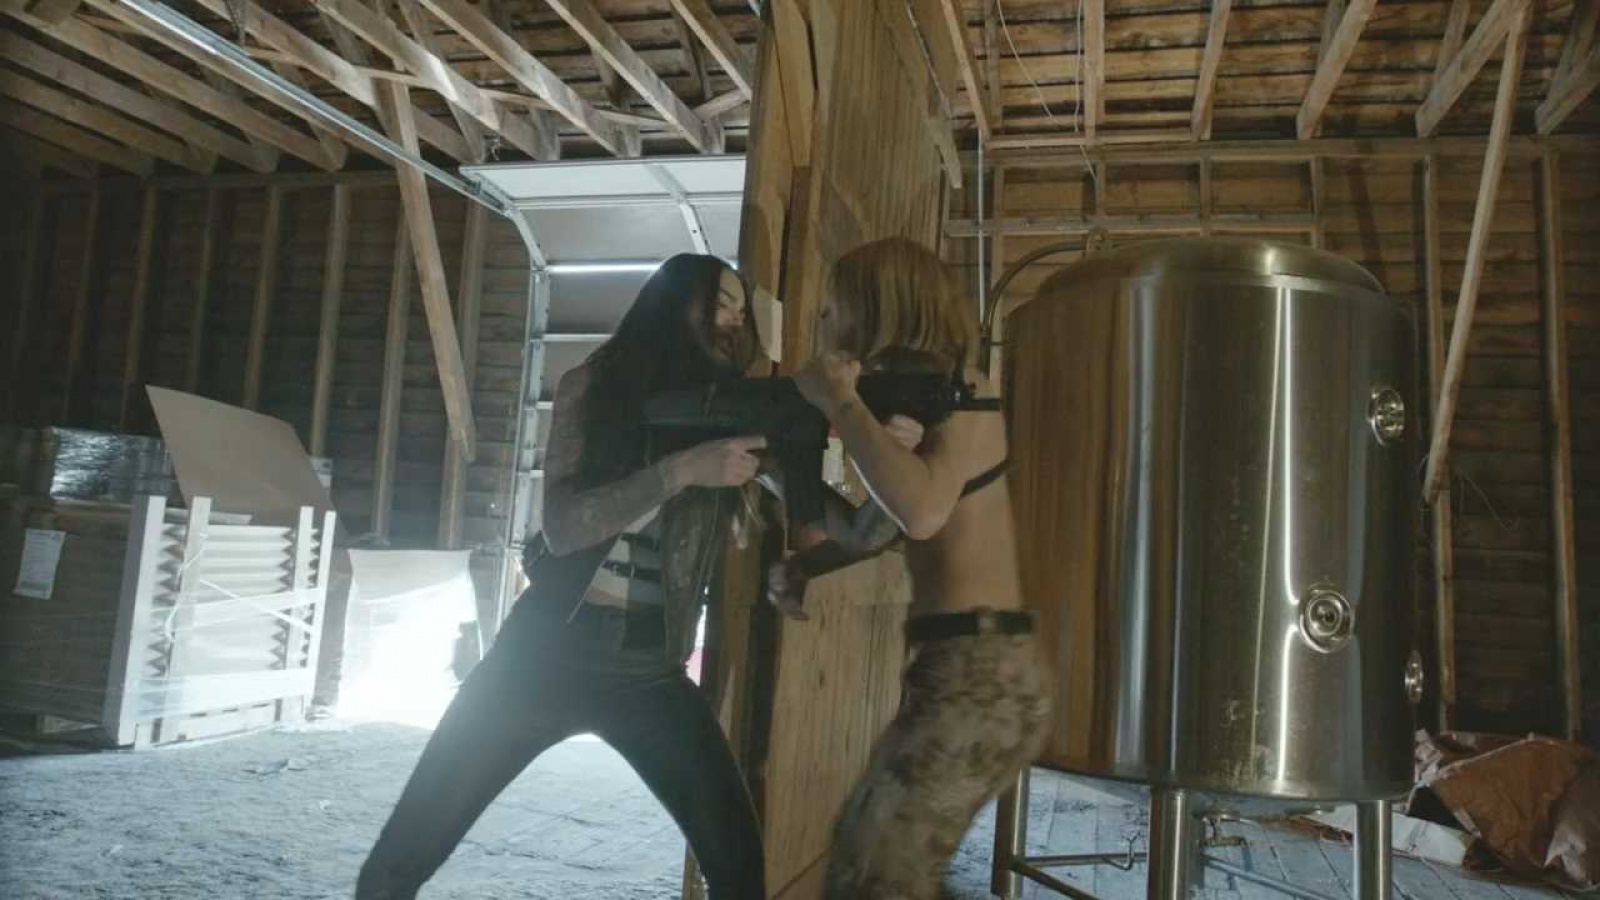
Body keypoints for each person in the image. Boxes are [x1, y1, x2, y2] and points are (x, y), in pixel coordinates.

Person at [357, 254, 772, 900]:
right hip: (542, 656)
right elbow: (565, 529)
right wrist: (684, 470)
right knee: (401, 858)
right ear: (676, 305)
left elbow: (836, 510)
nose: (734, 324)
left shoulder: (730, 410)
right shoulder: (593, 387)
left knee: (740, 869)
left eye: (742, 313)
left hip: (649, 668)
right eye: (722, 304)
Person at [782, 237, 1054, 899]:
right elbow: (869, 528)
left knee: (873, 875)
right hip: (963, 670)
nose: (826, 320)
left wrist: (841, 404)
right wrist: (778, 477)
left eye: (836, 305)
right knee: (871, 862)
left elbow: (921, 511)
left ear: (878, 305)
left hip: (982, 674)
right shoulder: (929, 406)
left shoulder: (965, 390)